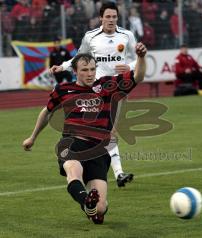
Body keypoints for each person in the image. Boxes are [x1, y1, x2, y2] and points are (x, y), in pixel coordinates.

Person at [22, 43, 147, 224]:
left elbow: (138, 76)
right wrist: (32, 137)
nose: (90, 73)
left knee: (101, 209)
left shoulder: (107, 85)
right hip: (72, 143)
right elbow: (47, 112)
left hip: (98, 150)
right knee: (73, 171)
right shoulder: (63, 90)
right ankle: (86, 201)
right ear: (75, 71)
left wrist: (141, 57)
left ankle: (93, 207)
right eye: (85, 70)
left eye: (92, 69)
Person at [49, 2, 136, 187]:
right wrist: (63, 66)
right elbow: (79, 57)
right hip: (96, 91)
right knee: (106, 131)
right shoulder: (91, 37)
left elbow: (137, 59)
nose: (111, 20)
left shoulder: (127, 36)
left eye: (114, 17)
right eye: (108, 17)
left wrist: (130, 67)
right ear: (101, 18)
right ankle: (118, 172)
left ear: (117, 18)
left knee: (110, 131)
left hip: (118, 89)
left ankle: (110, 171)